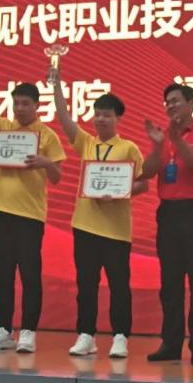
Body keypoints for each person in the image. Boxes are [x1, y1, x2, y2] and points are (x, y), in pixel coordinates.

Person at [0, 66, 65, 353]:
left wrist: (45, 162)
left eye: (25, 103)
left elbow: (57, 177)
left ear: (36, 106)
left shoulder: (47, 135)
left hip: (30, 216)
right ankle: (3, 329)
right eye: (16, 103)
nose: (19, 108)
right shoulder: (3, 127)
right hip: (1, 212)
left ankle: (28, 331)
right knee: (1, 274)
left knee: (30, 275)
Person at [52, 73, 147, 360]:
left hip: (116, 230)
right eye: (97, 115)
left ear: (117, 119)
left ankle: (120, 336)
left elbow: (142, 183)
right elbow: (64, 117)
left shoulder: (128, 148)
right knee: (86, 284)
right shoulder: (86, 143)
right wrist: (56, 84)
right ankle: (86, 335)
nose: (100, 120)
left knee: (119, 285)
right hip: (85, 226)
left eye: (106, 115)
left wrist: (120, 192)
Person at [141, 82, 193, 365]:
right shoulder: (163, 137)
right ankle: (171, 343)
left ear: (191, 103)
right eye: (168, 102)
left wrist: (178, 141)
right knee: (170, 282)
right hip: (169, 213)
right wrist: (158, 145)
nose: (171, 105)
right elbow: (147, 172)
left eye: (176, 100)